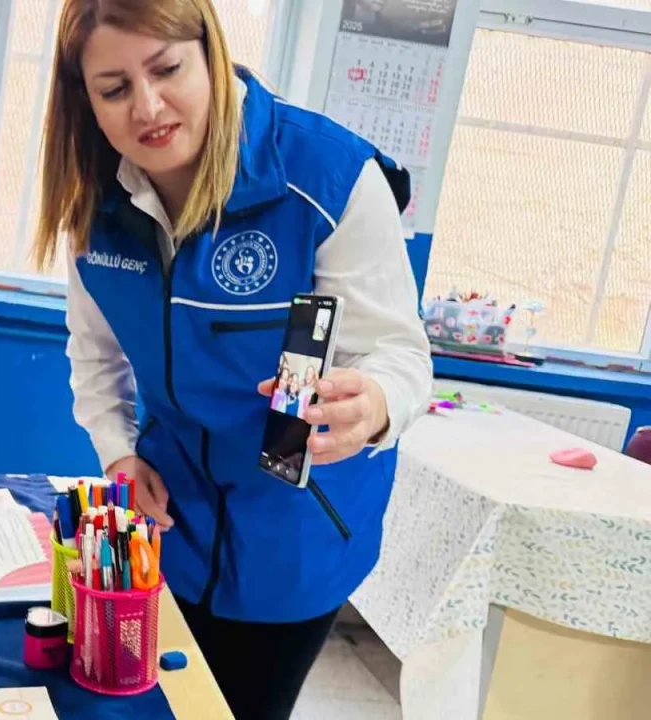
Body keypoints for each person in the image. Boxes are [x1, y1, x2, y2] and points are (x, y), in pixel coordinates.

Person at [33, 1, 432, 718]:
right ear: (83, 98)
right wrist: (119, 454)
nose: (148, 107)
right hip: (169, 523)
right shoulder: (92, 203)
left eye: (167, 69)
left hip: (299, 532)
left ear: (210, 52)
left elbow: (398, 351)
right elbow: (95, 359)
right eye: (114, 88)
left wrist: (372, 403)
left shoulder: (330, 175)